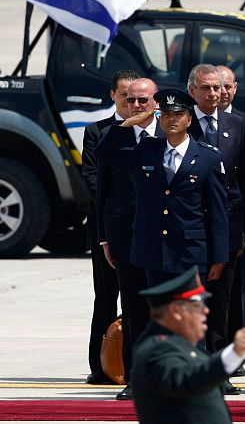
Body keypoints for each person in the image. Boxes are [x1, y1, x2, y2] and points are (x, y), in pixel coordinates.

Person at [94, 88, 229, 286]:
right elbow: (104, 153)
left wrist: (219, 257)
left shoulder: (208, 158)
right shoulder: (147, 150)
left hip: (190, 252)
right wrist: (127, 124)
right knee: (159, 315)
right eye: (166, 114)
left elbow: (218, 212)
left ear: (189, 120)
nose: (171, 119)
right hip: (153, 251)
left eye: (178, 114)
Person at [131, 266, 245, 424]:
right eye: (198, 305)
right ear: (176, 311)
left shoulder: (181, 346)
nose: (205, 311)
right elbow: (188, 379)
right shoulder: (157, 351)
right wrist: (233, 354)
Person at [186, 64, 245, 395]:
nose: (213, 94)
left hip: (227, 229)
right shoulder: (180, 123)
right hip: (192, 228)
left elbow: (244, 181)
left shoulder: (235, 124)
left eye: (217, 88)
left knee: (222, 302)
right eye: (206, 88)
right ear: (192, 91)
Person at [95, 77, 159, 400]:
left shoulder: (171, 133)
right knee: (133, 310)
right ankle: (135, 378)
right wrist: (104, 239)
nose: (136, 106)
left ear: (155, 102)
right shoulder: (114, 138)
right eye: (131, 100)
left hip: (165, 239)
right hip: (127, 239)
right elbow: (102, 193)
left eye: (143, 101)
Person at [82, 70, 138, 386]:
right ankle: (100, 363)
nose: (131, 102)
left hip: (142, 229)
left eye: (137, 97)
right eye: (125, 96)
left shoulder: (153, 132)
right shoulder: (98, 131)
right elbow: (92, 179)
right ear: (113, 97)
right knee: (105, 295)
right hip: (107, 227)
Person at [217, 65, 245, 378]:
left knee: (237, 291)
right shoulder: (193, 121)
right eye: (217, 86)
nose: (223, 91)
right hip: (205, 223)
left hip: (239, 223)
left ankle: (237, 354)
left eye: (228, 85)